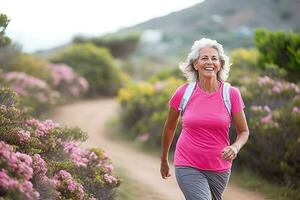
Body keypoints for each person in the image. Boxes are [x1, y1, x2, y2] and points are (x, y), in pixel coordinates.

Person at [160, 38, 249, 200]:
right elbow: (170, 127)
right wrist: (164, 159)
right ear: (195, 64)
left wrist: (235, 147)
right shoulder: (183, 93)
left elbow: (243, 131)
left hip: (220, 167)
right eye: (204, 58)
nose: (209, 62)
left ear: (220, 64)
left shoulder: (231, 94)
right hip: (187, 162)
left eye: (214, 58)